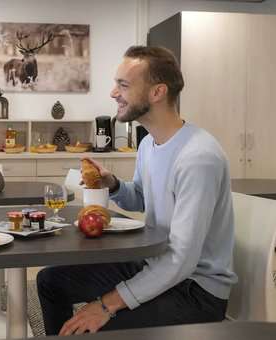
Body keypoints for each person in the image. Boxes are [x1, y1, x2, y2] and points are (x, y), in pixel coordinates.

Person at [37, 45, 238, 336]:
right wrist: (114, 184)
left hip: (196, 290)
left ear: (157, 92)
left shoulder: (198, 158)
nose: (113, 93)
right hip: (157, 263)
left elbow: (181, 261)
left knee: (93, 327)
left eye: (123, 85)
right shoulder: (149, 144)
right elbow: (142, 197)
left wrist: (105, 306)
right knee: (51, 282)